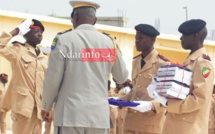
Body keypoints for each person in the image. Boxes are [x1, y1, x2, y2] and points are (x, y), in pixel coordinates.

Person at [41, 1, 129, 134]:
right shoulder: (109, 42)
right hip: (99, 118)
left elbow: (53, 79)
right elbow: (122, 76)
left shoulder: (64, 40)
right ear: (95, 20)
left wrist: (46, 106)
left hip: (70, 115)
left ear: (75, 17)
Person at [150, 19, 214, 134]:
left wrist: (170, 104)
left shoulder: (203, 62)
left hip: (189, 129)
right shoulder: (190, 61)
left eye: (184, 35)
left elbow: (199, 98)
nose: (181, 38)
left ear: (195, 37)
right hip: (176, 125)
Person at [0, 18, 48, 134]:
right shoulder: (18, 51)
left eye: (41, 32)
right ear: (25, 33)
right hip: (23, 110)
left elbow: (46, 84)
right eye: (36, 31)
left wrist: (48, 108)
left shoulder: (44, 57)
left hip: (39, 110)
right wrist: (16, 31)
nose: (40, 34)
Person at [120, 24, 170, 134]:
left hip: (149, 125)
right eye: (136, 38)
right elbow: (135, 91)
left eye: (141, 38)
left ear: (152, 40)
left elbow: (167, 98)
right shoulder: (135, 61)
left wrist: (151, 105)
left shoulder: (163, 64)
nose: (137, 41)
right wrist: (119, 100)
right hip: (130, 123)